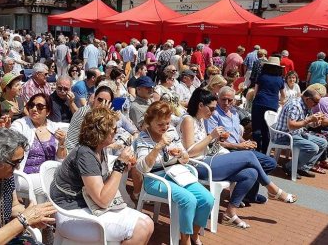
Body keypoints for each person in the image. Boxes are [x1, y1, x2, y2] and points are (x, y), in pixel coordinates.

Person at [179, 88, 297, 228]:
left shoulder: (200, 120)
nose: (213, 112)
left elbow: (204, 146)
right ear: (200, 105)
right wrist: (211, 136)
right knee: (249, 155)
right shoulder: (188, 119)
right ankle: (273, 190)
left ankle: (230, 213)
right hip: (198, 166)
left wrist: (215, 139)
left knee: (250, 173)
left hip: (208, 160)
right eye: (211, 108)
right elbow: (190, 152)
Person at [51, 106, 154, 244]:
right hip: (71, 212)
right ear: (101, 132)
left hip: (88, 205)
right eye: (114, 130)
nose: (116, 133)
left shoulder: (99, 149)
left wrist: (122, 168)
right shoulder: (85, 154)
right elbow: (103, 199)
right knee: (140, 229)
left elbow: (101, 184)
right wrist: (119, 165)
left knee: (148, 223)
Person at [135, 101, 214, 245]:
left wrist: (181, 155)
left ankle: (194, 234)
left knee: (207, 199)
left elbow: (184, 156)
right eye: (160, 124)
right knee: (188, 199)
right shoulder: (143, 138)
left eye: (167, 123)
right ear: (150, 121)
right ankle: (185, 240)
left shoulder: (171, 131)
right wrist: (157, 147)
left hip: (176, 173)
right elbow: (142, 168)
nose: (165, 127)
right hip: (155, 178)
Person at [0, 128, 56, 245]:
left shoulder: (4, 176)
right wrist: (24, 219)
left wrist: (35, 214)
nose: (17, 167)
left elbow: (13, 207)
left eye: (20, 161)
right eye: (15, 162)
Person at [204, 86, 277, 201]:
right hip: (227, 150)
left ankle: (247, 193)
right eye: (223, 99)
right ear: (218, 98)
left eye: (230, 100)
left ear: (234, 100)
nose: (226, 103)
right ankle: (247, 194)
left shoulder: (234, 112)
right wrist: (239, 146)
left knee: (267, 163)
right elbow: (213, 141)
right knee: (269, 163)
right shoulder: (214, 114)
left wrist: (245, 142)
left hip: (239, 148)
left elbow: (235, 135)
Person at [11, 93, 67, 203]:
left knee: (61, 182)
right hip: (25, 176)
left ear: (48, 112)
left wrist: (61, 143)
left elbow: (60, 160)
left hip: (50, 174)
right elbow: (11, 146)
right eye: (31, 105)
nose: (34, 109)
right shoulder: (20, 125)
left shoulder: (54, 128)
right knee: (56, 185)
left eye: (40, 107)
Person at [274, 89, 327, 178]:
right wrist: (309, 120)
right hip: (285, 136)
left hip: (296, 133)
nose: (316, 105)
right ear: (307, 99)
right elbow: (291, 125)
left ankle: (303, 167)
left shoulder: (306, 105)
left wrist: (315, 122)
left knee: (323, 143)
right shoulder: (295, 105)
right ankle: (289, 167)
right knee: (313, 148)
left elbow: (306, 123)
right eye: (315, 102)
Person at [252, 56, 285, 153]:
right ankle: (266, 150)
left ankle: (257, 149)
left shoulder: (261, 76)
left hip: (259, 102)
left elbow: (255, 92)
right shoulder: (280, 79)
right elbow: (283, 95)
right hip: (272, 105)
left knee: (257, 128)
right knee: (267, 129)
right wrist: (279, 102)